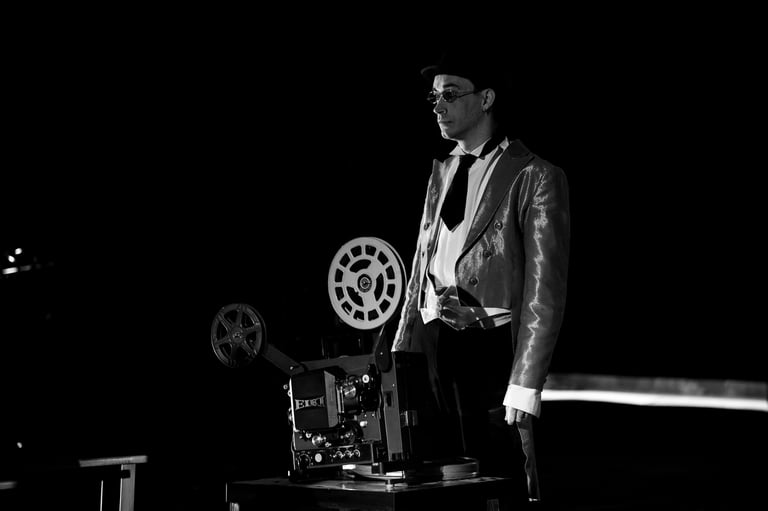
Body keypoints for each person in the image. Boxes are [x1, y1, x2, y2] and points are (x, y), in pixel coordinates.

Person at [392, 49, 570, 506]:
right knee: (439, 478)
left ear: (486, 98)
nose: (438, 106)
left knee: (499, 480)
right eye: (434, 97)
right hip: (434, 342)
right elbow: (421, 261)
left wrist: (525, 382)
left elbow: (545, 292)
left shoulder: (535, 175)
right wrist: (400, 349)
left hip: (490, 347)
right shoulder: (442, 169)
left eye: (450, 95)